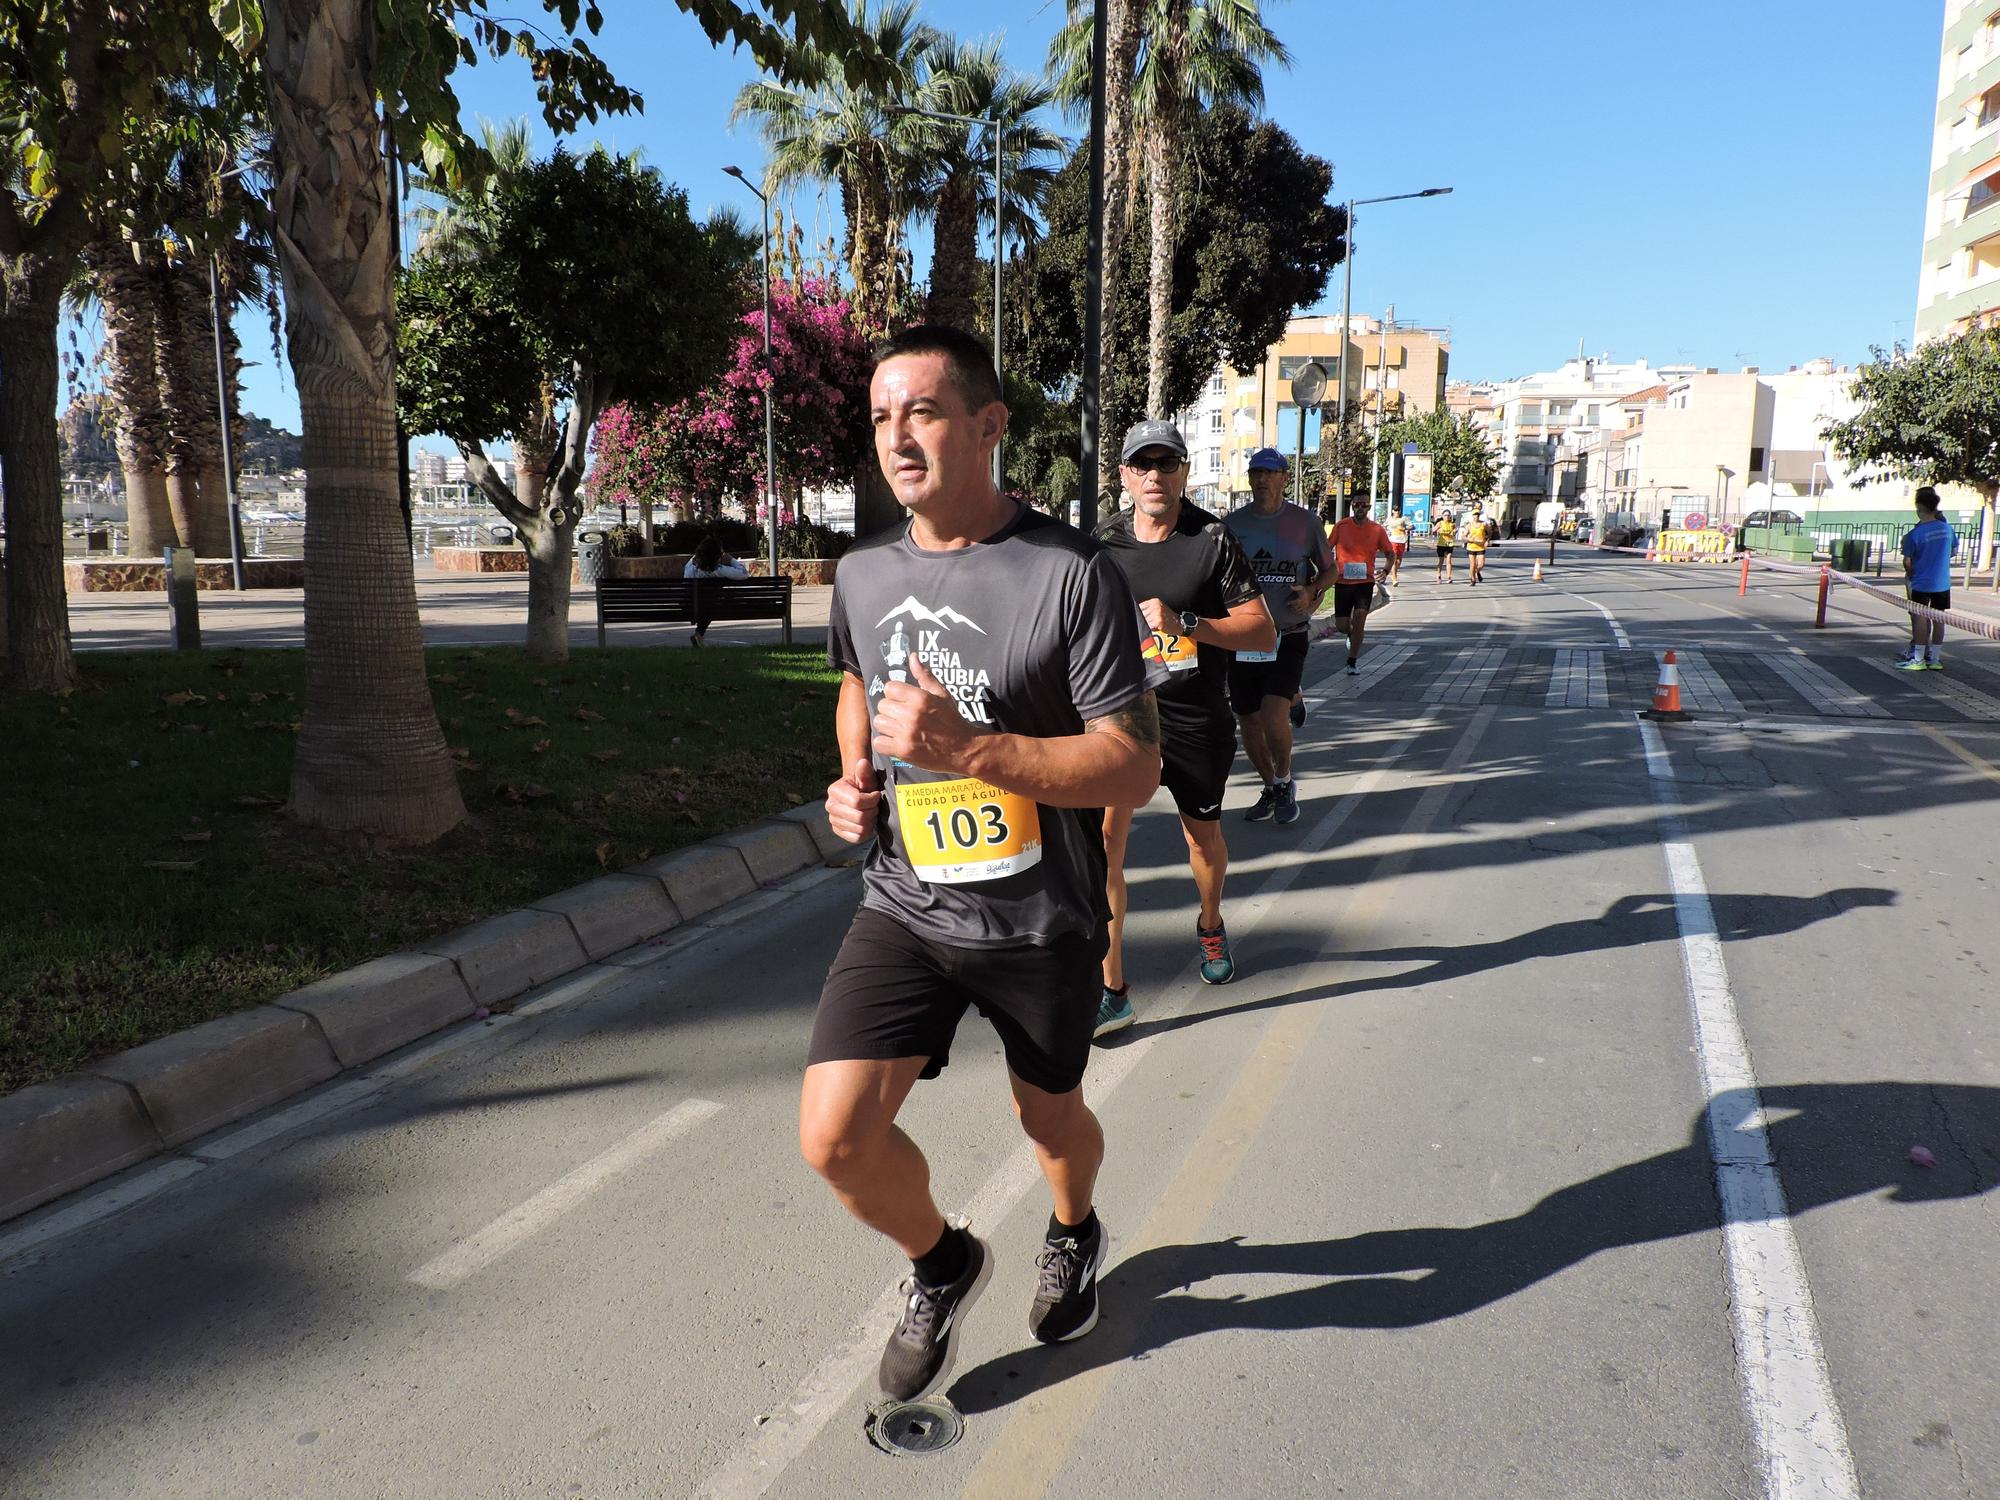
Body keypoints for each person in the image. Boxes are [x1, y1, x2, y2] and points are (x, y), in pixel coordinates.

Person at [809, 324, 1165, 1406]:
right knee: (833, 1139)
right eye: (880, 417)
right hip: (907, 903)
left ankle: (1071, 1228)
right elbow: (858, 688)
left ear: (987, 426)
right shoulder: (863, 572)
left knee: (1046, 1119)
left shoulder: (1069, 576)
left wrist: (968, 750)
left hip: (1039, 922)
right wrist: (851, 781)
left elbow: (1132, 763)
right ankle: (943, 1262)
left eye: (920, 411)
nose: (896, 436)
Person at [1092, 419, 1276, 1037]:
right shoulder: (1103, 543)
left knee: (1202, 842)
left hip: (1197, 719)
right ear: (1123, 476)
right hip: (1123, 717)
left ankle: (1210, 923)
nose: (1154, 476)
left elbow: (1262, 630)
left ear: (1183, 473)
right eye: (1141, 465)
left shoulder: (1210, 539)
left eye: (1165, 464)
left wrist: (1186, 621)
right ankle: (1113, 986)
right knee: (1104, 847)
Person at [1225, 449, 1338, 827]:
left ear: (1284, 478)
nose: (1261, 479)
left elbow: (1331, 570)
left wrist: (1312, 592)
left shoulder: (1305, 523)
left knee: (1273, 715)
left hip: (1287, 632)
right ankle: (1271, 786)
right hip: (1243, 636)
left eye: (1269, 473)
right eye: (1255, 472)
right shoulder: (1232, 524)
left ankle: (1286, 780)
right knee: (1248, 721)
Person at [1316, 495, 1397, 676]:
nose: (1360, 508)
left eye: (1364, 505)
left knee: (1360, 619)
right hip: (1343, 581)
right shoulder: (1341, 526)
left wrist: (1385, 570)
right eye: (1356, 505)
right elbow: (1327, 548)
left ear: (1368, 507)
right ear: (1352, 506)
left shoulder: (1376, 529)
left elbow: (1390, 553)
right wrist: (1326, 568)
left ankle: (1351, 662)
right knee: (1342, 625)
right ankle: (1351, 634)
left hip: (1365, 582)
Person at [1898, 486, 1957, 671]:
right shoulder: (1947, 529)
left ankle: (1918, 659)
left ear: (1919, 507)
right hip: (1942, 582)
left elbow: (1907, 561)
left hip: (1921, 582)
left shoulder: (1915, 534)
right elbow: (1953, 551)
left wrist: (1912, 572)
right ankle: (1935, 659)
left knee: (1920, 618)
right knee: (1939, 619)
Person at [683, 535, 750, 646]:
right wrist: (731, 560)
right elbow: (743, 573)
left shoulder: (690, 567)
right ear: (716, 555)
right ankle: (699, 633)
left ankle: (699, 634)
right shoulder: (718, 570)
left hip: (689, 606)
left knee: (708, 602)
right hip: (711, 607)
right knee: (712, 602)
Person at [1465, 506, 1494, 583]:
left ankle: (1476, 572)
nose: (1476, 516)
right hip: (1471, 547)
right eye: (1475, 514)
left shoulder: (1483, 524)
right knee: (1473, 564)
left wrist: (1487, 540)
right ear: (1472, 516)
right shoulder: (1469, 525)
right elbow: (1463, 536)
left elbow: (1490, 532)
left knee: (1481, 564)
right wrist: (1468, 539)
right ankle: (1473, 580)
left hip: (1481, 547)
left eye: (1478, 514)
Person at [1384, 507, 1410, 586]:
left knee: (1398, 562)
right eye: (1395, 510)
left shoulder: (1404, 519)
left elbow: (1412, 526)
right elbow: (1384, 526)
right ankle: (1394, 579)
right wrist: (1387, 531)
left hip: (1402, 541)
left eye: (1398, 510)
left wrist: (1404, 528)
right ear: (1392, 511)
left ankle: (1390, 573)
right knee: (1394, 560)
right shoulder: (1389, 519)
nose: (1397, 512)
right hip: (1392, 541)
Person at [1434, 509, 1457, 583]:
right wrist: (1437, 530)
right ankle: (1438, 575)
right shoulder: (1440, 523)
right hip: (1441, 544)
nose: (1447, 517)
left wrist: (1454, 531)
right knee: (1441, 560)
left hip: (1449, 544)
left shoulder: (1452, 524)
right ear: (1442, 516)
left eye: (1448, 515)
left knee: (1449, 560)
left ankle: (1449, 577)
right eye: (1445, 515)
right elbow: (1433, 530)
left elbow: (1454, 531)